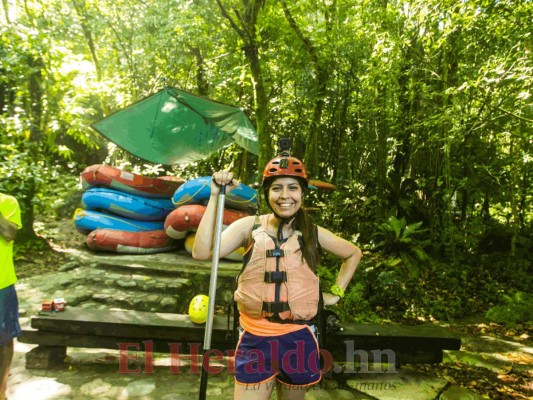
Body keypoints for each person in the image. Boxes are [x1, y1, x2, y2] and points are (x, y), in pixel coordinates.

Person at [193, 150, 362, 400]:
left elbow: (353, 253)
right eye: (276, 188)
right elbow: (201, 252)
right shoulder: (249, 227)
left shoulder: (312, 232)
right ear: (267, 194)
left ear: (302, 193)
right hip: (255, 339)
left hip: (299, 340)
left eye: (293, 188)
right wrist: (216, 195)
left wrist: (335, 294)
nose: (285, 196)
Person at [0, 193, 22, 400]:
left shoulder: (8, 202)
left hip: (1, 283)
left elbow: (9, 233)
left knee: (3, 339)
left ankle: (1, 391)